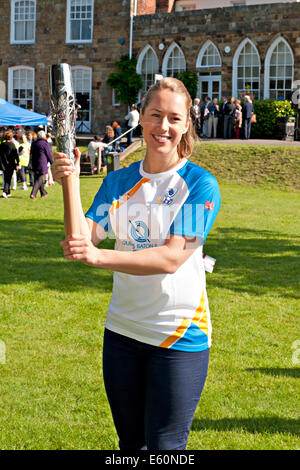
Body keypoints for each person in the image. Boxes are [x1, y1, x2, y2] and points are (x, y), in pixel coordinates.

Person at [52, 77, 221, 451]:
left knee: (165, 447)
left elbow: (172, 257)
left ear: (187, 124)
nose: (164, 127)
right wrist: (71, 184)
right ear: (141, 118)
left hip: (178, 336)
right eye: (156, 115)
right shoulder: (118, 182)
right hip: (122, 332)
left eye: (174, 118)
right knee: (130, 445)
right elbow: (84, 238)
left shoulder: (200, 185)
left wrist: (98, 257)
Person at [29, 130, 53, 200]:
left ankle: (43, 193)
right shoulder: (45, 143)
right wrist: (52, 162)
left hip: (34, 161)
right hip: (42, 162)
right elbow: (48, 154)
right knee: (39, 178)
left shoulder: (34, 143)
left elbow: (31, 153)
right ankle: (33, 194)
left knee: (38, 177)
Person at [0, 129, 19, 198]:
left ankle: (8, 192)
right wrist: (17, 163)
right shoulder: (12, 145)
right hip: (10, 164)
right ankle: (5, 192)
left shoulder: (2, 145)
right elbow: (15, 155)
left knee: (6, 177)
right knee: (8, 178)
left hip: (3, 164)